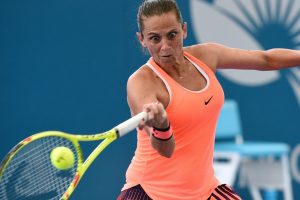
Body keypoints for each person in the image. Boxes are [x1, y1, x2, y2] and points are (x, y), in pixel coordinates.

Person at [117, 0, 300, 199]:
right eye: (154, 38)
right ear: (142, 39)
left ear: (184, 30)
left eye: (172, 35)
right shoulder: (141, 83)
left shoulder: (206, 56)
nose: (165, 46)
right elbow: (165, 150)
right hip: (150, 192)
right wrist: (162, 125)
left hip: (204, 190)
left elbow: (266, 60)